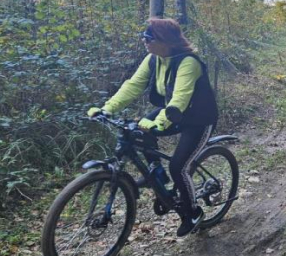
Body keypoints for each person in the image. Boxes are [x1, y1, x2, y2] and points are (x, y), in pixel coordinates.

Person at [87, 18, 218, 237]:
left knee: (178, 167)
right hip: (172, 111)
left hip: (198, 118)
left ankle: (192, 213)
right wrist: (107, 109)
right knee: (137, 133)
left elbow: (180, 98)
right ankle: (157, 175)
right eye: (144, 36)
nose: (144, 41)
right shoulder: (153, 59)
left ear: (165, 41)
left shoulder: (189, 62)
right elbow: (133, 86)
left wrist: (159, 123)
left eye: (149, 38)